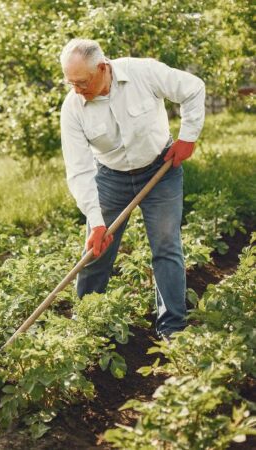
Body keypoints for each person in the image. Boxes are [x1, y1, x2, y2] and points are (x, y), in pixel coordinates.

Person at [59, 38, 205, 340]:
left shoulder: (142, 73)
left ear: (102, 68)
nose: (76, 89)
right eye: (70, 82)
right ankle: (85, 324)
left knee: (166, 246)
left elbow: (193, 88)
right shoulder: (73, 107)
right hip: (110, 178)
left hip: (160, 169)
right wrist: (97, 223)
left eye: (82, 82)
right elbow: (79, 169)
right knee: (96, 250)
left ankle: (173, 328)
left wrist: (188, 137)